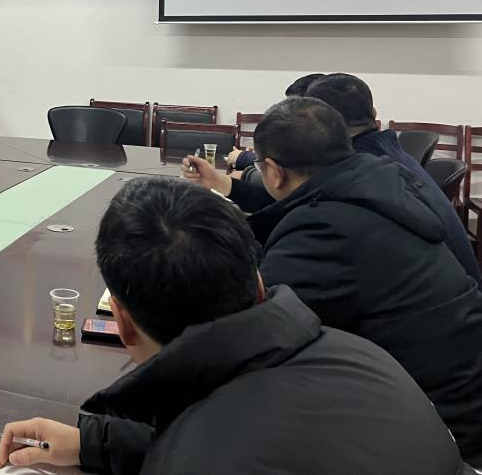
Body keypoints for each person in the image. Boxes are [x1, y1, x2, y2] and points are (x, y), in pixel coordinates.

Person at [0, 177, 465, 474]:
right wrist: (96, 443)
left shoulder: (203, 456)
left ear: (122, 322)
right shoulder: (357, 354)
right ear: (257, 280)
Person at [182, 97, 482, 465]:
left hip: (440, 432)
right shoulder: (376, 181)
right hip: (453, 393)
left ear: (272, 171)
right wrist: (224, 185)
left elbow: (252, 331)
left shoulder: (327, 231)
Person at [305, 72, 479, 281]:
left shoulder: (358, 172)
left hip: (440, 295)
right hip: (461, 289)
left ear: (319, 124)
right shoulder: (386, 154)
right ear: (374, 113)